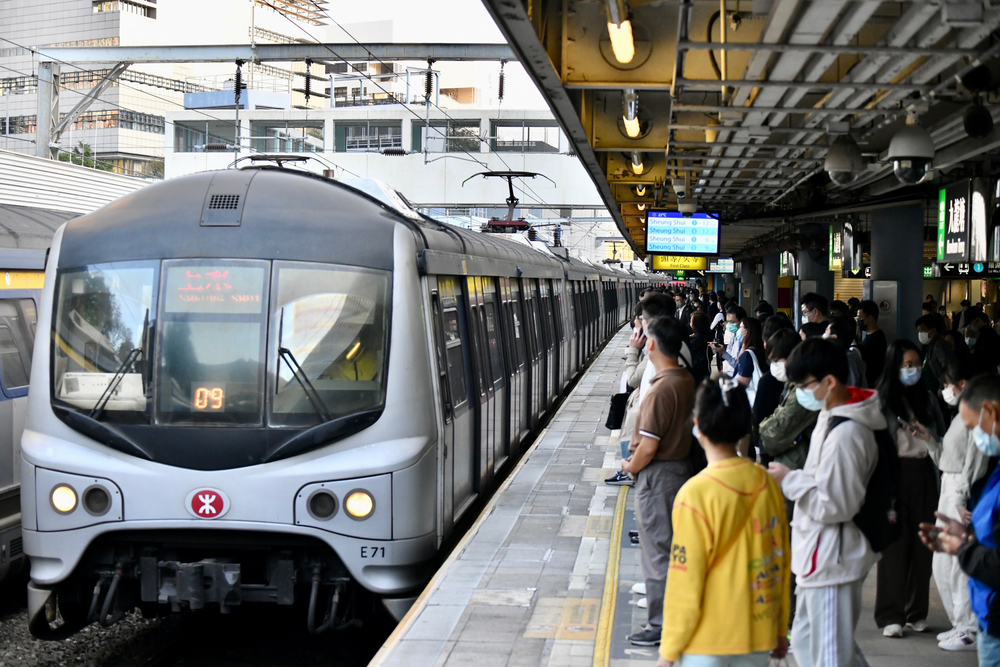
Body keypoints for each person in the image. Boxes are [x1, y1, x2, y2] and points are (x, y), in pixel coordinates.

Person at [657, 379, 791, 667]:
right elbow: (780, 560)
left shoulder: (695, 494)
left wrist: (668, 651)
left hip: (707, 640)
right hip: (758, 632)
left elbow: (685, 580)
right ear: (745, 425)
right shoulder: (767, 484)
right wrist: (780, 629)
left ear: (698, 426)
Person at [767, 338, 883, 667]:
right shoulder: (830, 416)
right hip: (818, 554)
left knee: (829, 655)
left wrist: (790, 480)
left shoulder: (847, 434)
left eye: (805, 386)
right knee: (808, 642)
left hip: (832, 558)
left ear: (829, 382)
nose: (802, 393)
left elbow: (836, 505)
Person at [623, 316, 697, 647]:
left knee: (657, 552)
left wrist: (630, 466)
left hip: (658, 477)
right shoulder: (685, 378)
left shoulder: (660, 390)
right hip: (679, 470)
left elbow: (649, 446)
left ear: (651, 343)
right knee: (671, 548)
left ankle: (660, 625)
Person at [919, 373, 1000, 666]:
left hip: (994, 617)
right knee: (945, 569)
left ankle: (966, 627)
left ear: (989, 412)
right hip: (991, 617)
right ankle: (963, 624)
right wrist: (968, 538)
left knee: (954, 572)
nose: (976, 435)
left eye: (974, 426)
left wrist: (964, 548)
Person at [874, 339, 946, 638]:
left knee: (923, 543)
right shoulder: (880, 401)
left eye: (916, 364)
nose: (913, 370)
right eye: (907, 365)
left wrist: (928, 438)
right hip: (893, 474)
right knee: (893, 545)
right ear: (894, 367)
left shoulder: (927, 399)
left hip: (924, 473)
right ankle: (891, 615)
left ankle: (917, 611)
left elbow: (941, 438)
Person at [607, 305, 646, 487]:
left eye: (637, 328)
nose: (634, 333)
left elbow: (633, 379)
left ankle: (630, 471)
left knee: (632, 434)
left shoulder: (653, 351)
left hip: (643, 403)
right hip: (641, 400)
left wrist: (632, 352)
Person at [916, 313, 957, 392]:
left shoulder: (940, 346)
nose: (920, 334)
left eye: (922, 331)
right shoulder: (930, 346)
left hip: (939, 391)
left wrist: (942, 387)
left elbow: (948, 367)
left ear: (933, 331)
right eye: (919, 331)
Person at [825, 316, 867, 388]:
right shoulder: (846, 358)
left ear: (833, 337)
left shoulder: (847, 363)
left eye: (826, 332)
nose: (823, 336)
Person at [857, 300, 887, 388]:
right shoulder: (869, 336)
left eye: (860, 319)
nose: (858, 322)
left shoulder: (877, 338)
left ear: (870, 318)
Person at [689, 312, 712, 385]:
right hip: (704, 368)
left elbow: (689, 347)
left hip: (699, 369)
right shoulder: (704, 334)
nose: (690, 323)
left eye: (691, 321)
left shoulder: (699, 338)